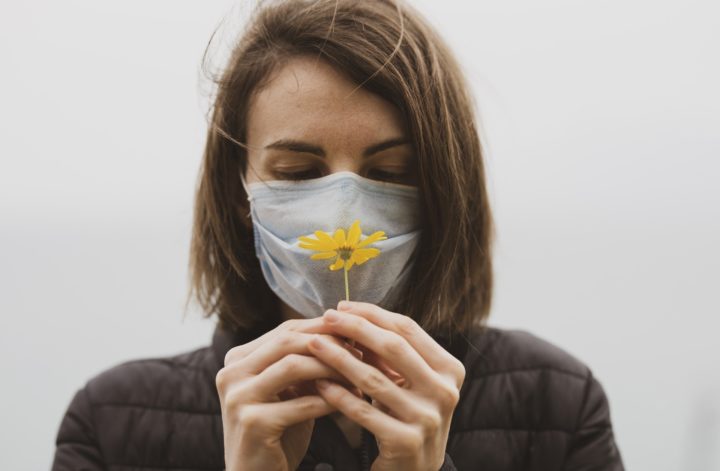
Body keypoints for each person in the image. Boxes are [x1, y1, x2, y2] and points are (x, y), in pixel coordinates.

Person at [51, 1, 624, 470]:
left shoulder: (560, 405)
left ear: (444, 191)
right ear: (238, 194)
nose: (341, 214)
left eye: (391, 173)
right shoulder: (108, 423)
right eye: (298, 174)